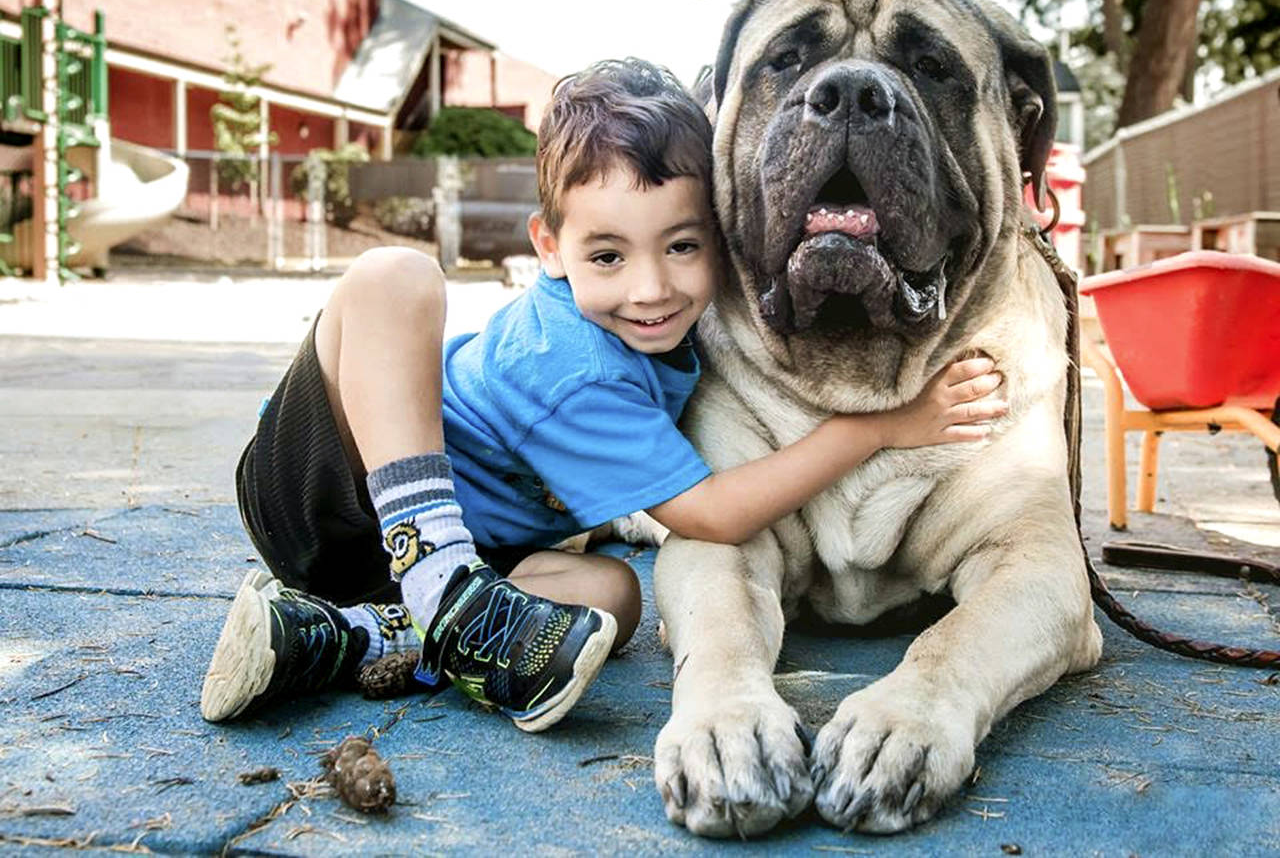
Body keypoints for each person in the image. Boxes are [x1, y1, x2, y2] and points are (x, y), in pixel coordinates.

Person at [200, 58, 1007, 733]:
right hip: (323, 488)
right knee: (395, 277)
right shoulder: (577, 364)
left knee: (611, 598)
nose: (651, 287)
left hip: (396, 570)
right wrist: (880, 426)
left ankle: (343, 635)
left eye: (683, 246)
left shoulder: (651, 338)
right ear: (550, 249)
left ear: (720, 236)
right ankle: (442, 588)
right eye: (608, 255)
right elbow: (713, 513)